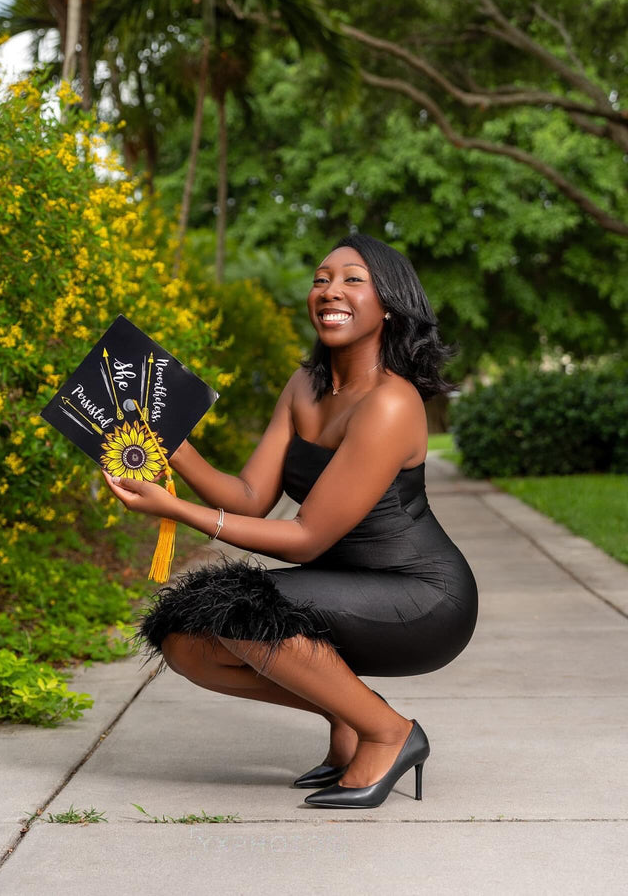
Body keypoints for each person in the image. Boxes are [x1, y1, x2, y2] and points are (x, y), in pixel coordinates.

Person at [102, 233, 478, 809]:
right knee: (184, 640)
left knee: (238, 610)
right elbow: (251, 496)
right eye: (321, 278)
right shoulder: (305, 385)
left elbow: (305, 540)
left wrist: (175, 509)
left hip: (422, 599)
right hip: (349, 590)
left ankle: (389, 732)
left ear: (389, 305)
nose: (331, 290)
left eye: (354, 280)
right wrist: (166, 443)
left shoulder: (392, 403)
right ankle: (353, 713)